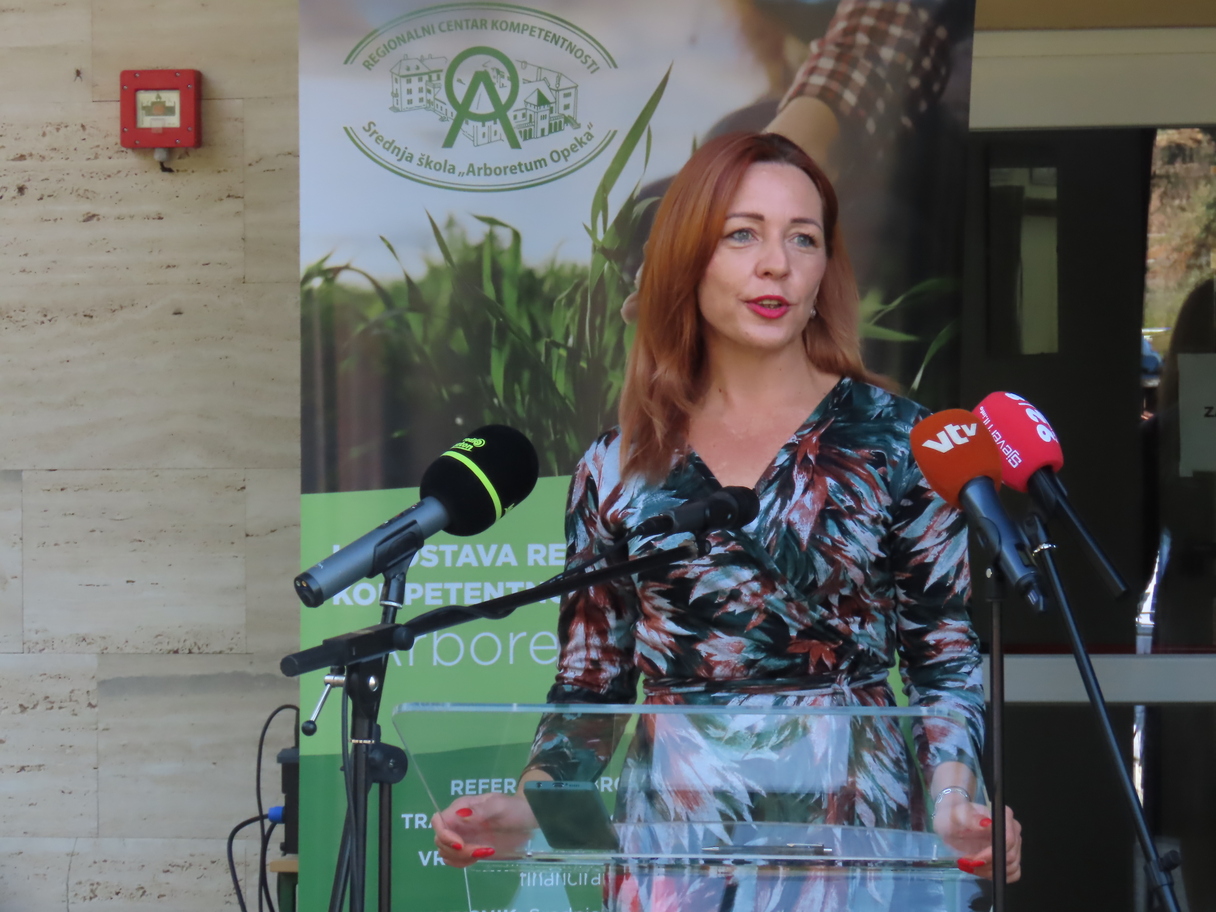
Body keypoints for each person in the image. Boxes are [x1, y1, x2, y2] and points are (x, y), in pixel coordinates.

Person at [433, 131, 1022, 906]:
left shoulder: (898, 442)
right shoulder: (615, 465)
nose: (776, 263)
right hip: (673, 846)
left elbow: (941, 657)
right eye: (743, 234)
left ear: (825, 269)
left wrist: (953, 800)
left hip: (856, 839)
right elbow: (591, 681)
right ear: (689, 258)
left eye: (802, 238)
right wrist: (531, 804)